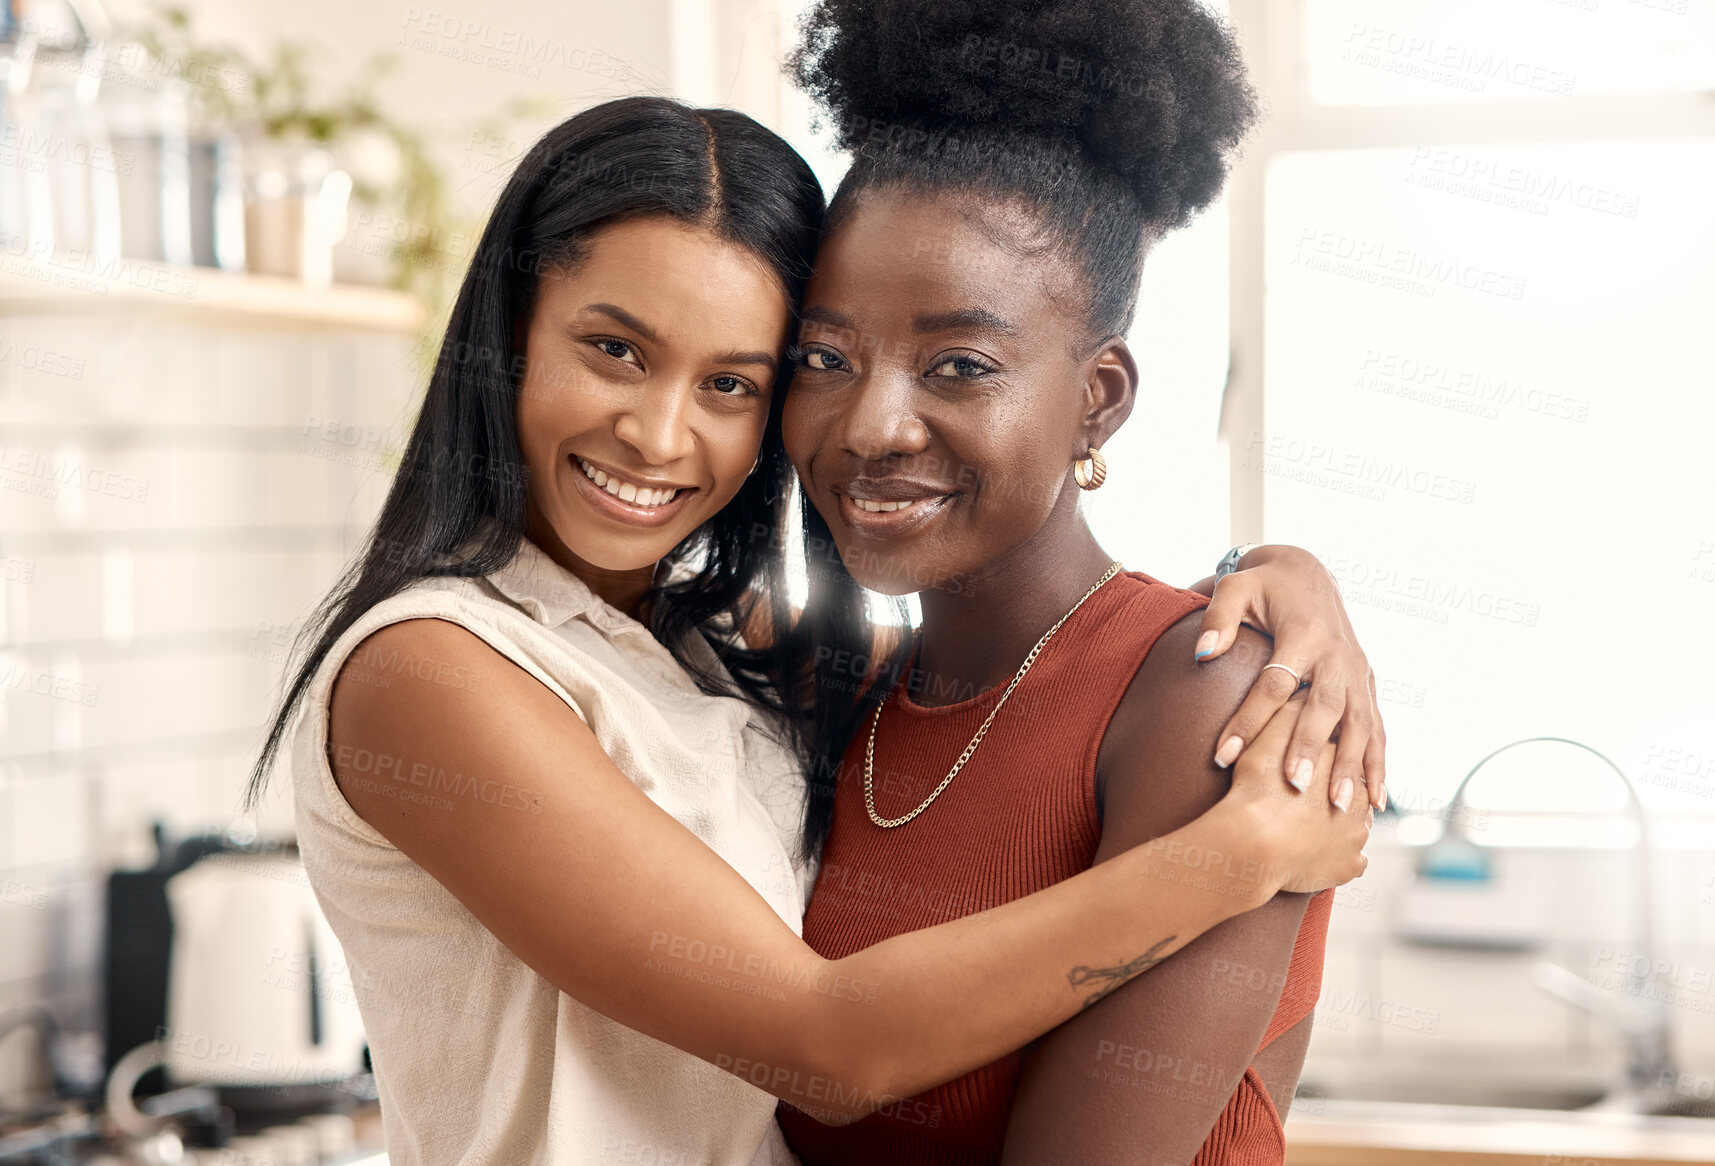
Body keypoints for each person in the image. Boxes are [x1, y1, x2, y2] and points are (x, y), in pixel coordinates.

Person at [249, 96, 1371, 1166]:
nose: (657, 434)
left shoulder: (719, 653)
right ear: (509, 338)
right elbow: (829, 1046)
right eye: (615, 350)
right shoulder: (433, 668)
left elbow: (1071, 673)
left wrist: (1280, 578)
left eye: (733, 381)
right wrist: (1234, 859)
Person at [774, 1, 1362, 1162]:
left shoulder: (1208, 696)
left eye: (959, 365)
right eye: (824, 358)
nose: (870, 424)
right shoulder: (833, 693)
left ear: (1097, 398)